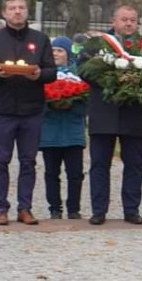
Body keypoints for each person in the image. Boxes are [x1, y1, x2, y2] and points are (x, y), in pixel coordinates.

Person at [77, 5, 142, 226]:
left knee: (134, 163)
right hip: (104, 110)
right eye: (124, 19)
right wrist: (111, 80)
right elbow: (83, 69)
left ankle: (131, 209)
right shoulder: (97, 44)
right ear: (113, 21)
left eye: (132, 20)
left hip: (134, 112)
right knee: (99, 164)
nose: (128, 24)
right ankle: (99, 210)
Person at [0, 0, 56, 225]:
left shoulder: (40, 39)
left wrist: (40, 74)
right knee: (0, 161)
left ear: (27, 11)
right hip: (2, 109)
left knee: (28, 161)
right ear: (4, 13)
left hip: (32, 110)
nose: (17, 12)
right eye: (12, 8)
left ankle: (25, 208)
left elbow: (52, 72)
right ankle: (0, 208)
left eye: (21, 7)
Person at [39, 37, 87, 220]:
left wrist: (71, 105)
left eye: (60, 50)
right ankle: (55, 208)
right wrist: (51, 103)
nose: (56, 54)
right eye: (53, 50)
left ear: (68, 53)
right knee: (51, 172)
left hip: (73, 131)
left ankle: (73, 208)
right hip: (50, 131)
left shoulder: (77, 75)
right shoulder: (44, 74)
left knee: (75, 174)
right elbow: (37, 102)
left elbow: (85, 103)